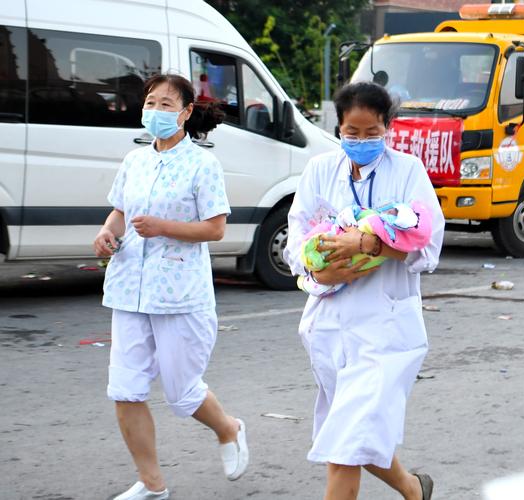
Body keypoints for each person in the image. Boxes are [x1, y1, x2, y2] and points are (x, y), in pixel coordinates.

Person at [284, 82, 445, 500]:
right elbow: (294, 239)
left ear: (387, 128)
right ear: (338, 127)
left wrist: (373, 243)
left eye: (371, 132)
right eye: (351, 133)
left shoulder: (407, 171)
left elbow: (428, 248)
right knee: (354, 435)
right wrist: (319, 270)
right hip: (329, 323)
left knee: (346, 445)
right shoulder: (320, 170)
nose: (360, 141)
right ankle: (413, 489)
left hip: (386, 331)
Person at [93, 74, 248, 500]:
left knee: (181, 394)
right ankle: (152, 484)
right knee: (125, 389)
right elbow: (119, 213)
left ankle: (229, 428)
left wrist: (165, 228)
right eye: (151, 102)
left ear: (184, 114)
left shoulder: (203, 165)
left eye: (166, 104)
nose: (156, 111)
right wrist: (107, 232)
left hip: (178, 292)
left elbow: (216, 229)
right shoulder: (134, 161)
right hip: (128, 287)